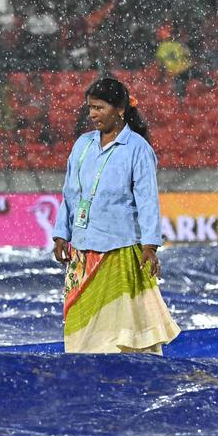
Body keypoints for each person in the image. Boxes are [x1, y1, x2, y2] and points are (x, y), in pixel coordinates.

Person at [52, 77, 180, 354]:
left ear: (120, 109)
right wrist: (61, 233)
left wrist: (149, 246)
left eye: (99, 108)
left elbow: (147, 201)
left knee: (125, 328)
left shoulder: (138, 149)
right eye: (90, 108)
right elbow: (70, 194)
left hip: (120, 250)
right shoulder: (82, 145)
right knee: (82, 330)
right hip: (83, 250)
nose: (93, 115)